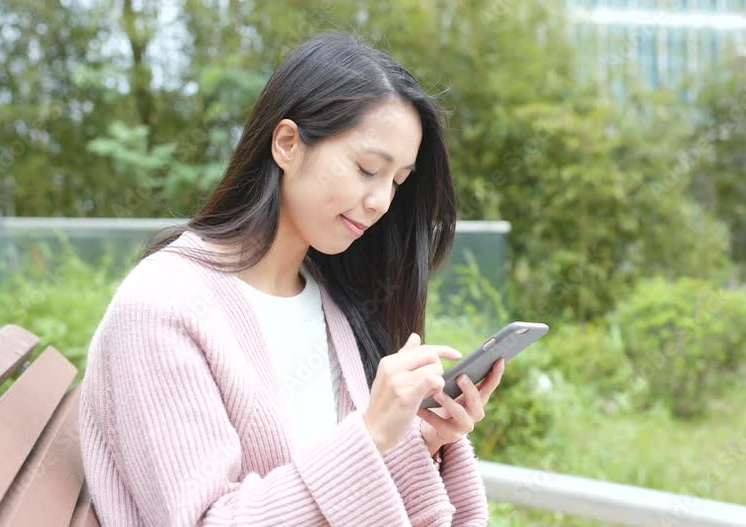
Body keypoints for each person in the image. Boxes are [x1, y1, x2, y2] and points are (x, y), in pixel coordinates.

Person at [77, 32, 505, 526]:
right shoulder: (161, 309)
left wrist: (422, 438)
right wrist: (369, 437)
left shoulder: (332, 300)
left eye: (397, 182)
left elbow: (337, 486)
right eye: (368, 169)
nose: (381, 202)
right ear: (287, 144)